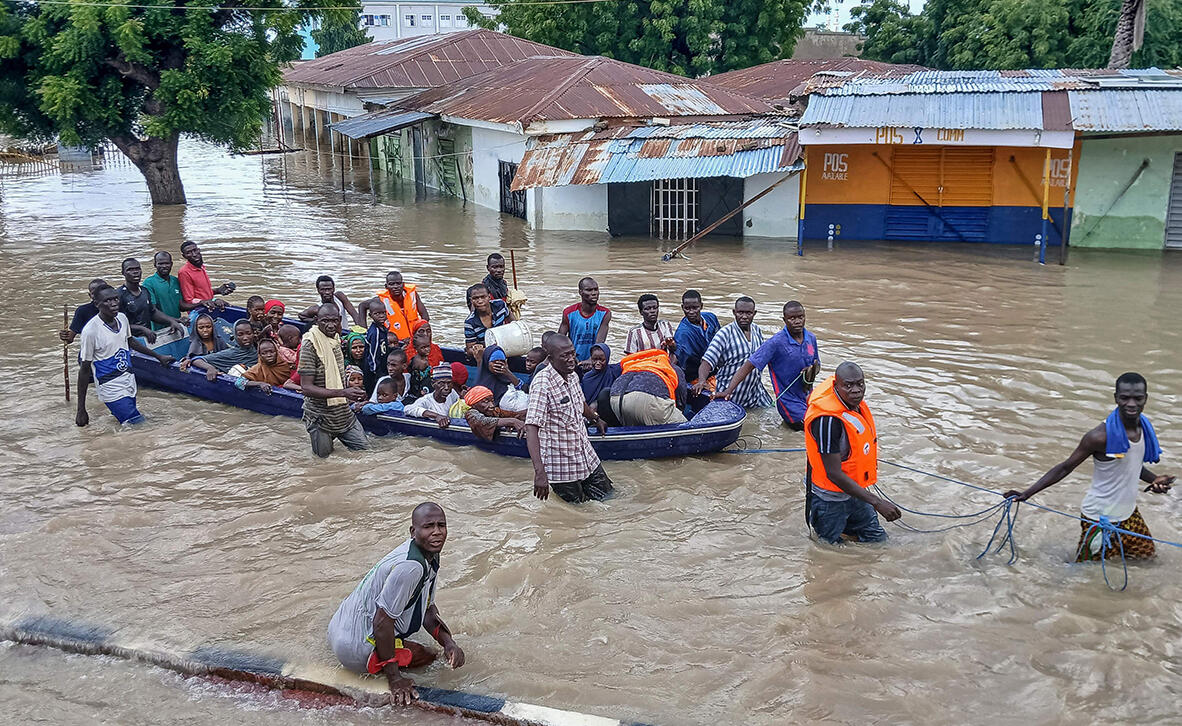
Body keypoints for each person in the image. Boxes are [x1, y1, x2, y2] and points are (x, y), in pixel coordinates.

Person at [1004, 373, 1175, 561]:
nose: (1132, 404)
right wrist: (1027, 493)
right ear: (1116, 398)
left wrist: (1154, 479)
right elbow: (1065, 467)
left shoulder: (1144, 428)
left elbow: (1129, 464)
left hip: (1129, 514)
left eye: (1138, 398)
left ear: (1146, 399)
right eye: (1125, 398)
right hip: (1100, 518)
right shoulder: (1099, 437)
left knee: (1148, 560)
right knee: (1086, 571)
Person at [327, 502, 464, 706]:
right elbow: (382, 622)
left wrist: (448, 642)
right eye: (428, 527)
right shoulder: (411, 567)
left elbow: (427, 610)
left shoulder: (428, 554)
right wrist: (395, 679)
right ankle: (377, 664)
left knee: (435, 649)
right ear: (413, 531)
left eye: (441, 526)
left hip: (339, 628)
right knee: (429, 657)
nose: (437, 532)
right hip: (354, 647)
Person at [803, 362, 901, 545]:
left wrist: (870, 499)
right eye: (848, 385)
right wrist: (877, 502)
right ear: (836, 386)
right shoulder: (827, 421)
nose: (856, 390)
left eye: (860, 384)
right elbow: (833, 473)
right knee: (827, 550)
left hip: (856, 493)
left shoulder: (854, 405)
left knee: (878, 541)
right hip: (829, 500)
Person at [525, 336, 611, 504]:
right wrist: (540, 473)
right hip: (562, 466)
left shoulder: (572, 376)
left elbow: (580, 403)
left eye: (573, 354)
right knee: (577, 513)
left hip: (585, 455)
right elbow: (531, 428)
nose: (571, 360)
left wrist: (595, 418)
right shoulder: (542, 384)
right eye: (565, 356)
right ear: (550, 359)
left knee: (610, 497)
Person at [75, 285, 175, 426]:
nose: (114, 303)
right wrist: (81, 409)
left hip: (128, 379)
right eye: (107, 301)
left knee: (127, 425)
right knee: (140, 426)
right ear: (96, 304)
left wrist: (158, 357)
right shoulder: (90, 331)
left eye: (115, 299)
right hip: (109, 384)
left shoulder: (122, 318)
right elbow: (84, 369)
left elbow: (131, 342)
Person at [714, 301, 819, 430]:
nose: (797, 321)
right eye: (792, 318)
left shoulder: (811, 338)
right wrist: (728, 391)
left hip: (809, 396)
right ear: (784, 320)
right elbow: (748, 365)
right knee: (814, 429)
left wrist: (811, 370)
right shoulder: (775, 343)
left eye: (800, 317)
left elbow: (816, 364)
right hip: (789, 403)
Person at [299, 303, 369, 457]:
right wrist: (343, 392)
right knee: (323, 463)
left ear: (339, 320)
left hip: (343, 414)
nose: (330, 325)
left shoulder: (336, 340)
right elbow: (306, 388)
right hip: (320, 417)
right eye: (325, 321)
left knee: (366, 453)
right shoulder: (310, 345)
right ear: (316, 320)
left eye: (334, 321)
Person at [694, 297, 774, 409]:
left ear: (754, 313)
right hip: (730, 394)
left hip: (755, 393)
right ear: (734, 312)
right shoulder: (724, 334)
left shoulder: (757, 330)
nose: (744, 316)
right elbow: (707, 361)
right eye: (741, 312)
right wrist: (702, 380)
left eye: (748, 313)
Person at [608, 349, 687, 426]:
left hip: (616, 399)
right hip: (645, 399)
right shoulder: (671, 367)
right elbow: (681, 395)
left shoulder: (633, 363)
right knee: (684, 425)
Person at [118, 258, 186, 340]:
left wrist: (173, 321)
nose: (135, 272)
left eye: (137, 269)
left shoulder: (144, 291)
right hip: (129, 340)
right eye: (130, 270)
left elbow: (152, 312)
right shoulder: (119, 295)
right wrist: (142, 329)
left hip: (147, 337)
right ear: (123, 273)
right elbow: (118, 324)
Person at [558, 277, 611, 365]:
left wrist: (591, 360)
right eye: (589, 290)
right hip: (572, 359)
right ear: (580, 292)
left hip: (595, 360)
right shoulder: (569, 313)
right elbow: (560, 340)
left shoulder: (605, 313)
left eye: (596, 289)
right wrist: (570, 357)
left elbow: (599, 342)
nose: (594, 293)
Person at [672, 290, 720, 384]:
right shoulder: (683, 333)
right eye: (687, 308)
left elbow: (721, 341)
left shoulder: (711, 318)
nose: (691, 312)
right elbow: (678, 357)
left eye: (695, 308)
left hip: (715, 367)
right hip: (695, 374)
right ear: (682, 308)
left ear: (701, 306)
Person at [187, 319, 259, 380]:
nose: (245, 338)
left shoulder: (258, 349)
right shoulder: (231, 353)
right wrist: (210, 368)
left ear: (253, 334)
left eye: (248, 333)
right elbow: (197, 360)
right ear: (235, 337)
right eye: (240, 335)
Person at [177, 240, 234, 310]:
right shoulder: (184, 272)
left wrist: (218, 290)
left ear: (199, 250)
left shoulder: (201, 267)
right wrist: (206, 301)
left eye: (195, 250)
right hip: (199, 311)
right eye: (189, 253)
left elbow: (201, 292)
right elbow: (189, 300)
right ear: (184, 256)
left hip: (209, 307)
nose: (194, 254)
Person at [375, 270, 429, 344]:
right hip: (396, 343)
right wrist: (363, 329)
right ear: (386, 286)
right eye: (391, 284)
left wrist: (420, 334)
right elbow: (363, 306)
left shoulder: (412, 295)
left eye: (398, 283)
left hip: (415, 339)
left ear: (403, 284)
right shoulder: (380, 300)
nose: (395, 286)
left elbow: (425, 316)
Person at [464, 283, 511, 362]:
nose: (480, 301)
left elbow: (514, 323)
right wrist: (479, 350)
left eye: (483, 297)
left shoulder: (500, 305)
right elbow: (469, 349)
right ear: (471, 300)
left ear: (489, 297)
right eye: (475, 298)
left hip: (506, 348)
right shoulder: (470, 322)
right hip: (487, 357)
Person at [405, 364, 459, 429]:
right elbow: (408, 409)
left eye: (449, 383)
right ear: (433, 384)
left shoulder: (452, 394)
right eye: (441, 383)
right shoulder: (427, 400)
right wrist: (436, 416)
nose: (446, 388)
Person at [140, 251, 186, 323]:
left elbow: (181, 306)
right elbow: (153, 310)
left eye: (167, 263)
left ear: (171, 264)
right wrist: (174, 320)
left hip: (178, 325)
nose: (164, 266)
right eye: (160, 264)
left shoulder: (175, 280)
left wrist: (200, 303)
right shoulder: (149, 283)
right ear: (155, 265)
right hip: (159, 329)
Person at [60, 278, 108, 345]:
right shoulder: (83, 311)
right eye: (94, 293)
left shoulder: (116, 309)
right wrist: (65, 336)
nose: (98, 295)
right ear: (90, 295)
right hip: (90, 350)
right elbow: (70, 338)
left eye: (101, 291)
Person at [580, 343, 620, 408]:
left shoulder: (614, 372)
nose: (598, 363)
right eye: (595, 359)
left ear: (607, 359)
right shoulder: (587, 378)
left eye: (601, 360)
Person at [363, 300, 391, 392]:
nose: (381, 316)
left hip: (382, 363)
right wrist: (376, 372)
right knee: (373, 390)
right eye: (377, 314)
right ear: (370, 316)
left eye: (383, 313)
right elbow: (373, 353)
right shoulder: (375, 332)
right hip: (374, 369)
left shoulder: (382, 328)